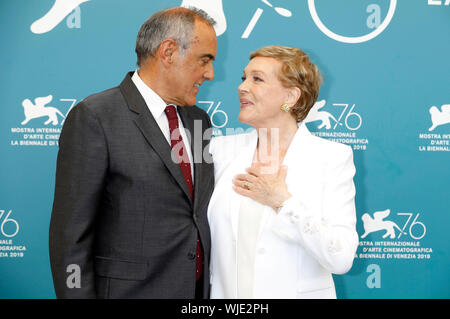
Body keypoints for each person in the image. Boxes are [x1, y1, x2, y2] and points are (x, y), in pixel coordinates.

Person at [49, 7, 217, 299]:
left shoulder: (199, 120)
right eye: (204, 60)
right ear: (168, 52)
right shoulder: (95, 116)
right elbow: (70, 238)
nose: (210, 74)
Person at [208, 45, 358, 299]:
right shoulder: (219, 151)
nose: (242, 87)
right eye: (244, 77)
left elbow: (341, 257)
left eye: (257, 79)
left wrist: (283, 202)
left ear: (290, 97)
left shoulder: (332, 158)